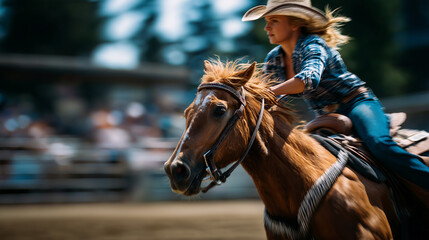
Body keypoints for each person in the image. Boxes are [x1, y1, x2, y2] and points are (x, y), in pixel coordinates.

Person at [241, 0, 429, 193]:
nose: (266, 27)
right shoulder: (273, 58)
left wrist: (266, 92)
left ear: (295, 23)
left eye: (273, 20)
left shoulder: (313, 44)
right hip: (324, 116)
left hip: (357, 103)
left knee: (380, 144)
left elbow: (307, 79)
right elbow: (266, 98)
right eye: (266, 21)